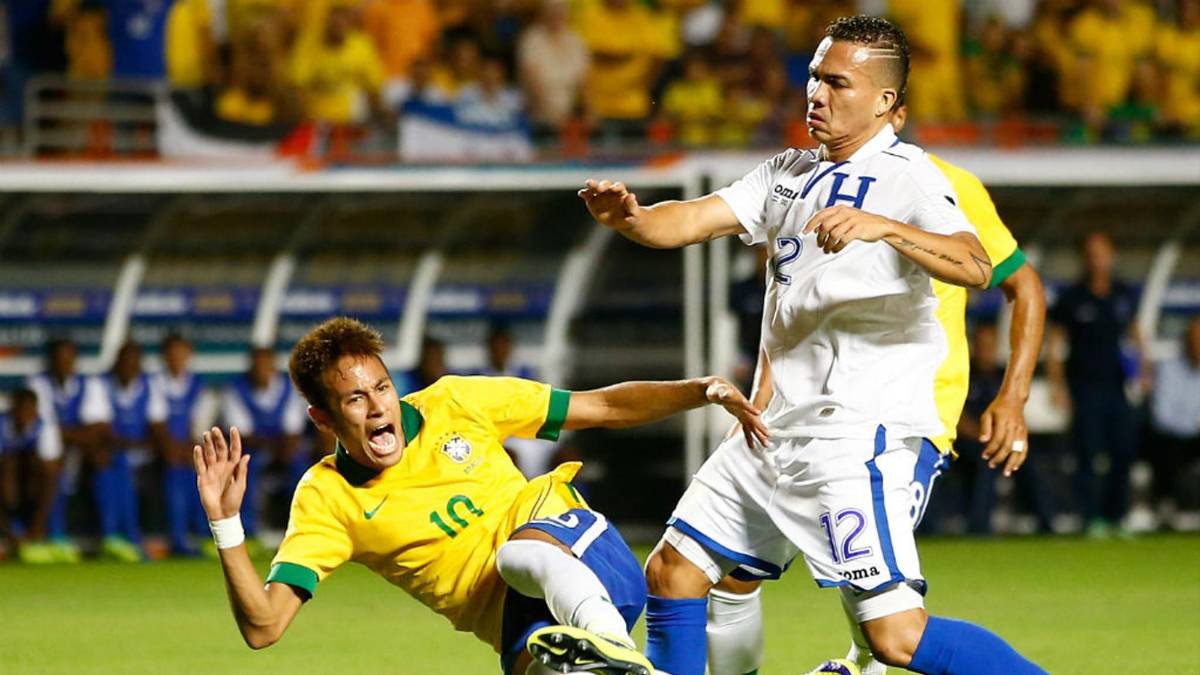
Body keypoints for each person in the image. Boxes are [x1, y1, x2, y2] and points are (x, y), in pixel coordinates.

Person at [578, 15, 1046, 675]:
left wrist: (883, 228)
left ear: (886, 102)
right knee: (675, 571)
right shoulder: (786, 173)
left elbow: (975, 266)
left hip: (858, 435)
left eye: (836, 82)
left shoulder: (911, 177)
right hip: (774, 429)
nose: (815, 95)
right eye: (813, 78)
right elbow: (687, 220)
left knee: (896, 637)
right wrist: (631, 218)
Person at [193, 316, 765, 674]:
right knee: (556, 665)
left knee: (520, 554)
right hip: (528, 631)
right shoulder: (326, 497)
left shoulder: (456, 402)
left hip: (580, 556)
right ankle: (619, 665)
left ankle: (617, 651)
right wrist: (226, 524)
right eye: (355, 401)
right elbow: (264, 627)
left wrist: (700, 390)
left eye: (383, 388)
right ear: (323, 417)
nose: (378, 408)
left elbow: (603, 407)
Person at [701, 102, 1051, 675]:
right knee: (732, 574)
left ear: (893, 110)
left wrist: (1012, 397)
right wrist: (765, 387)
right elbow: (790, 296)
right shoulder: (807, 182)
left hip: (905, 418)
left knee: (887, 625)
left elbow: (1022, 284)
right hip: (810, 414)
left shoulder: (941, 183)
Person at [1048, 229, 1146, 538]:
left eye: (1103, 252)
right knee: (1087, 455)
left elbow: (1136, 334)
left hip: (1116, 387)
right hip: (1084, 389)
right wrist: (1057, 386)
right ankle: (1092, 519)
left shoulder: (1122, 294)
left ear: (1112, 255)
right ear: (1084, 258)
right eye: (1092, 253)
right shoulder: (1072, 298)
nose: (1098, 259)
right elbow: (1055, 344)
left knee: (1123, 452)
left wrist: (1144, 371)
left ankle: (1118, 516)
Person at [26, 338, 112, 563]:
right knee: (52, 460)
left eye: (68, 357)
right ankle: (55, 537)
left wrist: (75, 436)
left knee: (106, 458)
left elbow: (100, 428)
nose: (64, 362)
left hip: (81, 450)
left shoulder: (90, 384)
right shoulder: (38, 384)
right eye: (59, 358)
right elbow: (41, 426)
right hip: (42, 452)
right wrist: (80, 434)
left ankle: (112, 537)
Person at [220, 346, 308, 540]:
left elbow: (293, 429)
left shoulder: (289, 388)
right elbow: (243, 434)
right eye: (257, 365)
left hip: (286, 449)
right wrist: (276, 448)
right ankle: (249, 533)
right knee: (244, 470)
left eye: (266, 365)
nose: (262, 370)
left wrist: (285, 450)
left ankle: (300, 530)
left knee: (303, 472)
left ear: (273, 366)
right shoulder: (236, 390)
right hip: (255, 450)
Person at [99, 341, 169, 562]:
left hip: (143, 454)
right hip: (115, 453)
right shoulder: (102, 385)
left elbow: (157, 427)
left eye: (134, 361)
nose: (129, 366)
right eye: (125, 361)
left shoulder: (150, 386)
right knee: (114, 469)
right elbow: (102, 431)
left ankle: (132, 538)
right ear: (116, 363)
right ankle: (117, 538)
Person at [156, 334, 217, 556]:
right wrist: (172, 449)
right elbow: (156, 422)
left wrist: (190, 450)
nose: (176, 358)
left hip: (191, 451)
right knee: (175, 474)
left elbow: (200, 424)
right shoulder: (156, 384)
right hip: (163, 451)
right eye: (171, 353)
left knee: (202, 474)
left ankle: (203, 535)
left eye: (181, 353)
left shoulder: (199, 386)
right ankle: (178, 538)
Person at [0, 388, 64, 563]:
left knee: (50, 473)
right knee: (7, 467)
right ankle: (10, 533)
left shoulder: (46, 427)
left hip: (31, 487)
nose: (24, 416)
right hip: (6, 489)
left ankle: (38, 533)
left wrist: (36, 528)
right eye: (20, 410)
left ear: (36, 411)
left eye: (29, 411)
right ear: (13, 409)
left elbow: (51, 473)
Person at [1146, 317, 1200, 523]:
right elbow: (1162, 415)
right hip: (1173, 436)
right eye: (1195, 340)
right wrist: (1193, 425)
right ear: (1185, 342)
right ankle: (1165, 507)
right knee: (1166, 449)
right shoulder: (1169, 369)